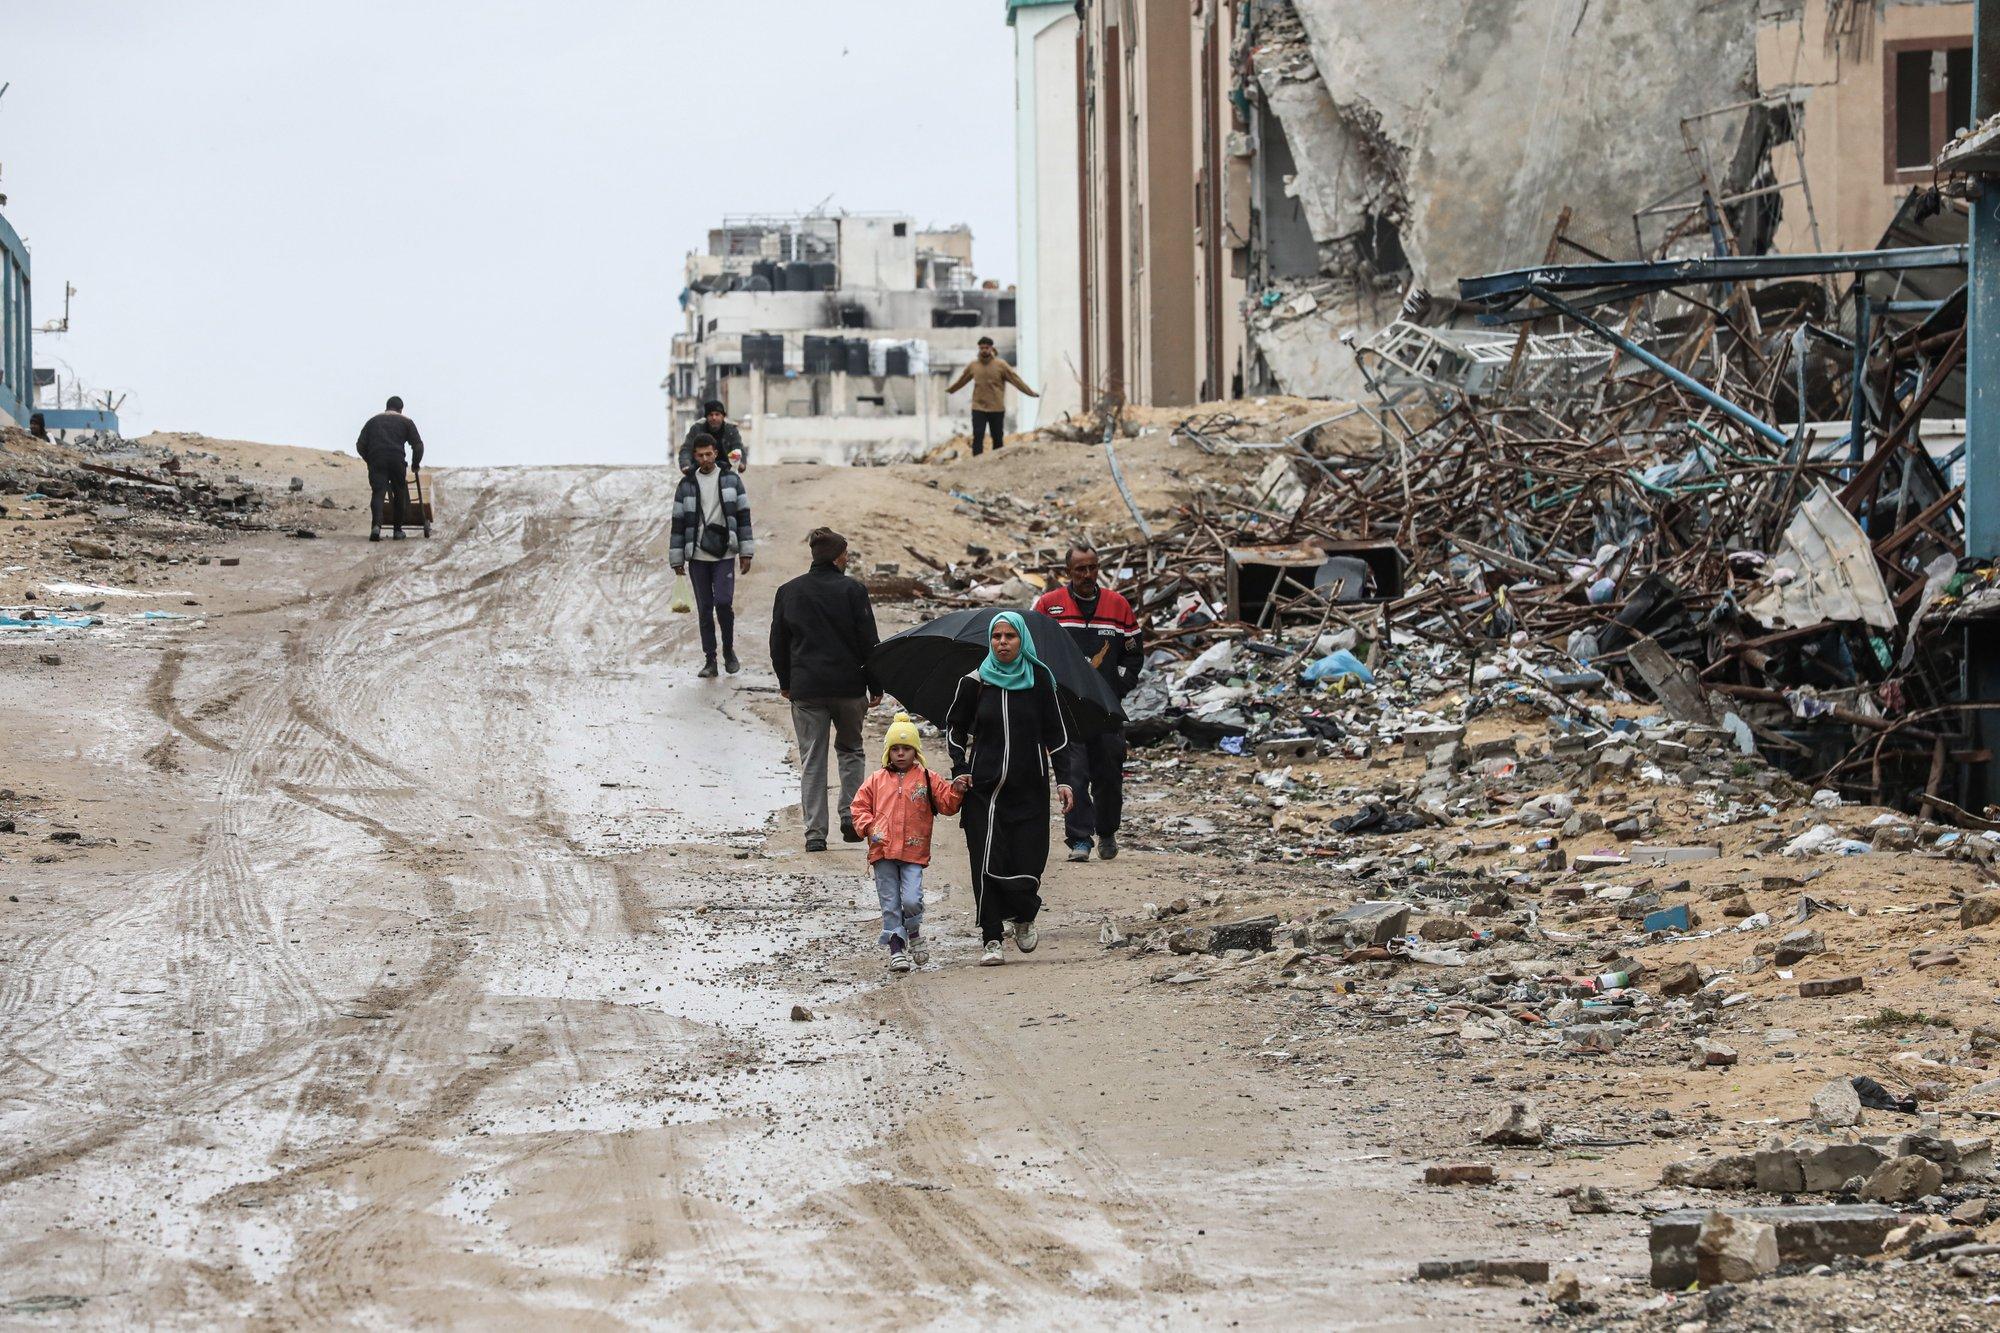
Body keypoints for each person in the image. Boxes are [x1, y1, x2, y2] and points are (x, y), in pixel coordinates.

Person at [946, 612, 1073, 967]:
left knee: (1029, 858)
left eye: (1010, 636)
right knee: (985, 861)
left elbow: (1057, 736)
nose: (1002, 642)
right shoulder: (974, 682)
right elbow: (955, 730)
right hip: (983, 790)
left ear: (1022, 641)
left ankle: (1023, 914)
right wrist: (960, 769)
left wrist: (1064, 779)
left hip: (1030, 787)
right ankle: (990, 936)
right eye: (997, 637)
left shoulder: (1040, 681)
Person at [770, 527, 882, 852]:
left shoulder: (789, 592)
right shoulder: (853, 591)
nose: (847, 559)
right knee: (851, 751)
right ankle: (851, 815)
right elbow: (868, 641)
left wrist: (786, 682)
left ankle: (815, 834)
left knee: (812, 759)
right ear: (837, 557)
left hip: (807, 690)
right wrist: (876, 684)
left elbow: (778, 641)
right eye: (845, 554)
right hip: (849, 688)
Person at [1033, 544, 1143, 862]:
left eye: (1092, 568)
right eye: (1080, 569)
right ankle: (1080, 839)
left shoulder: (1117, 605)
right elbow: (1034, 651)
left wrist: (1119, 688)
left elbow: (1134, 654)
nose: (1087, 575)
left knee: (1109, 773)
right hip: (1066, 709)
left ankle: (1106, 831)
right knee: (1074, 773)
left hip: (1106, 710)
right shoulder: (1048, 606)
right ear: (1068, 572)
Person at [850, 712, 963, 973]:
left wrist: (958, 789)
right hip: (882, 851)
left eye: (907, 749)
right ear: (888, 752)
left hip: (913, 851)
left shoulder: (927, 777)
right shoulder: (876, 780)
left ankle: (913, 933)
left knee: (912, 899)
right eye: (895, 749)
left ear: (916, 752)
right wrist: (869, 827)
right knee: (890, 903)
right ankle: (896, 949)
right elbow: (858, 807)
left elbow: (947, 804)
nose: (901, 754)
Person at [669, 433, 754, 677]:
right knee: (705, 609)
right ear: (694, 457)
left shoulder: (731, 480)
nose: (705, 459)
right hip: (697, 555)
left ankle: (729, 650)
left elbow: (743, 516)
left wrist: (746, 552)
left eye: (709, 454)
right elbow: (678, 522)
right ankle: (710, 660)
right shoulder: (686, 485)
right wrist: (677, 558)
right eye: (700, 455)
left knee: (724, 603)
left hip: (724, 552)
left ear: (716, 453)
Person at [945, 336, 1037, 457]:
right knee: (978, 436)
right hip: (978, 408)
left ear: (991, 348)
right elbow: (962, 380)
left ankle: (996, 462)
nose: (984, 350)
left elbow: (1016, 380)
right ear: (979, 349)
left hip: (996, 408)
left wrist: (1030, 392)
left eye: (986, 348)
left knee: (997, 438)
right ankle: (976, 462)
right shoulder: (973, 366)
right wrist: (950, 390)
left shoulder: (1001, 365)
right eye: (981, 348)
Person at [354, 395, 426, 542]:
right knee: (399, 492)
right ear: (400, 409)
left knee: (378, 493)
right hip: (396, 460)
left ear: (387, 407)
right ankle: (397, 531)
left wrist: (370, 459)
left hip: (377, 460)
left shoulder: (372, 421)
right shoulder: (406, 422)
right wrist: (415, 464)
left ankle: (376, 527)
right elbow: (418, 446)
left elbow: (360, 445)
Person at [679, 400, 747, 472]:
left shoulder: (731, 430)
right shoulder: (697, 429)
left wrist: (740, 463)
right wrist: (686, 464)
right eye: (711, 415)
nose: (714, 418)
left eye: (717, 414)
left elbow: (738, 447)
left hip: (726, 470)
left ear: (723, 416)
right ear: (706, 417)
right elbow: (687, 449)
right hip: (700, 469)